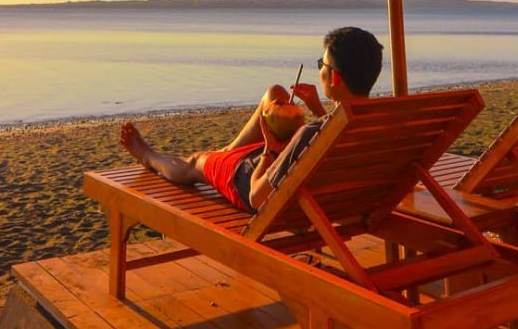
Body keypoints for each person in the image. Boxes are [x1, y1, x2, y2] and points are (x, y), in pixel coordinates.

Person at [119, 26, 383, 213]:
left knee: (196, 162)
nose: (320, 71)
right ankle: (227, 153)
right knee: (276, 94)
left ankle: (149, 156)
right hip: (322, 189)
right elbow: (340, 138)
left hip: (264, 185)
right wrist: (317, 109)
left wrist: (270, 150)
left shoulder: (310, 135)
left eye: (321, 65)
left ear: (334, 77)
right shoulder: (381, 123)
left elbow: (258, 198)